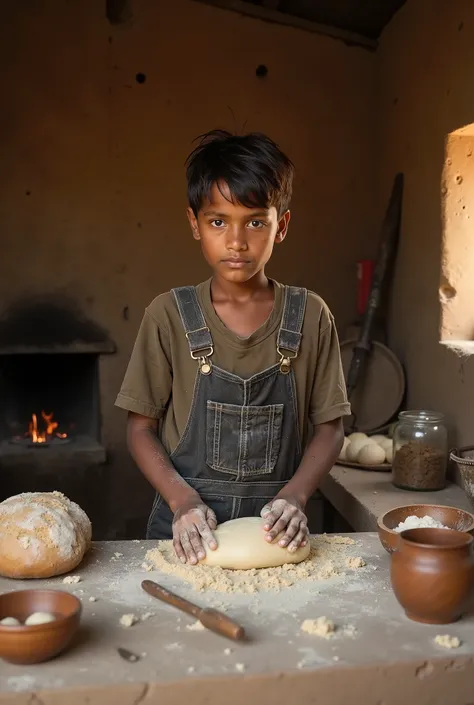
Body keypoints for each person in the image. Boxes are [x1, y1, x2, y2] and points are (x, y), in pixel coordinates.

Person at [115, 129, 351, 565]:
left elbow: (331, 428)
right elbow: (139, 429)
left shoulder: (311, 315)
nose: (237, 241)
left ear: (281, 226)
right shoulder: (168, 315)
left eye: (255, 221)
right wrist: (181, 501)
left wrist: (296, 497)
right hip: (185, 530)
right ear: (194, 224)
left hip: (276, 531)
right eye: (218, 221)